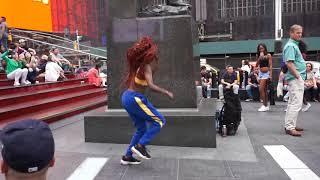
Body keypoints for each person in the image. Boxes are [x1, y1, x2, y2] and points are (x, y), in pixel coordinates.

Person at [120, 37, 173, 165]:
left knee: (141, 129)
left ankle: (127, 156)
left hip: (127, 97)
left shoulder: (137, 66)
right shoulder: (146, 67)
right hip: (135, 99)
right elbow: (151, 85)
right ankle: (140, 146)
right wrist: (166, 92)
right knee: (159, 120)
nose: (156, 56)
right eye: (155, 54)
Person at [283, 24, 306, 137]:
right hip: (295, 78)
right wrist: (298, 76)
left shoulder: (292, 45)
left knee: (292, 103)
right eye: (297, 32)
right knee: (296, 103)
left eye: (301, 33)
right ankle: (290, 127)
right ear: (291, 33)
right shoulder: (291, 46)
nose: (300, 35)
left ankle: (290, 125)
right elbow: (289, 63)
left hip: (295, 78)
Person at [256, 43, 273, 112]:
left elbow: (271, 66)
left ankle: (264, 105)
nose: (261, 49)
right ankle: (266, 105)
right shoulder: (258, 55)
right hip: (260, 73)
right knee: (264, 90)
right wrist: (260, 58)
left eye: (262, 48)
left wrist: (270, 75)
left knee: (261, 89)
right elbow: (257, 64)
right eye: (260, 48)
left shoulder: (268, 55)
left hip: (266, 73)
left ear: (265, 48)